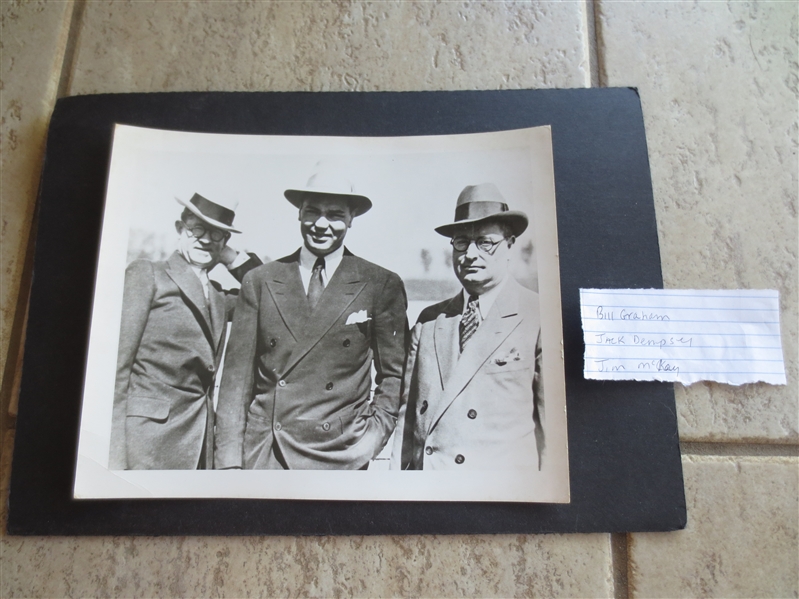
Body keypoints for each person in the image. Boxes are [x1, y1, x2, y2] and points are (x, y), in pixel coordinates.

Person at [214, 169, 408, 470]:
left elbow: (394, 375)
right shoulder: (260, 280)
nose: (321, 224)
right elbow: (235, 383)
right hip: (266, 454)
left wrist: (370, 440)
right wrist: (228, 462)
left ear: (351, 218)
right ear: (299, 214)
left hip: (341, 454)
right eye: (312, 212)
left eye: (334, 215)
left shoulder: (379, 283)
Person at [391, 183, 544, 470]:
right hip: (431, 489)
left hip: (498, 493)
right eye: (461, 242)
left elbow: (552, 437)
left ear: (510, 244)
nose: (470, 254)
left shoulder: (536, 315)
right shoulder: (429, 320)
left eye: (485, 242)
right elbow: (406, 420)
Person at [109, 193, 261, 470]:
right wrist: (114, 458)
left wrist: (228, 255)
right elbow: (116, 369)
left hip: (199, 442)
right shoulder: (148, 274)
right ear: (180, 229)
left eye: (216, 234)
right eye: (197, 229)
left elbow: (267, 293)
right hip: (146, 441)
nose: (205, 239)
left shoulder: (218, 296)